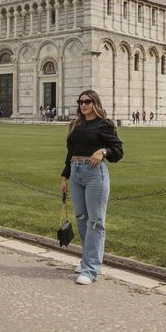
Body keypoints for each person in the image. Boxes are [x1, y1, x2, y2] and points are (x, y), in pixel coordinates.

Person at [59, 89, 124, 286]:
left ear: (95, 103)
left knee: (95, 222)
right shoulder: (75, 124)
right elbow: (71, 152)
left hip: (95, 174)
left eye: (87, 101)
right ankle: (87, 259)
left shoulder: (105, 125)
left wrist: (103, 151)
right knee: (81, 218)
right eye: (80, 102)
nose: (83, 105)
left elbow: (118, 151)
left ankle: (91, 268)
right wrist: (65, 177)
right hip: (76, 171)